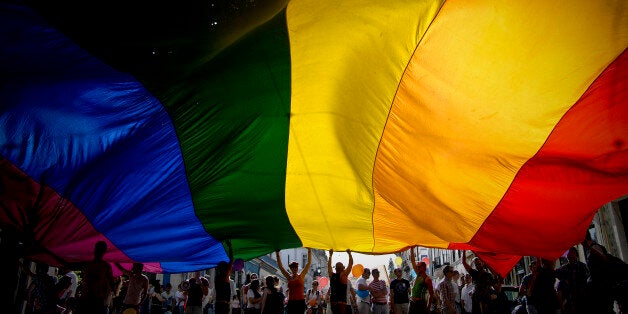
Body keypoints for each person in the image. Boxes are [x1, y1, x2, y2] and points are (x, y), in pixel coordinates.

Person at [79, 241, 115, 314]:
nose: (98, 251)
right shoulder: (104, 266)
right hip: (91, 298)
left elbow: (112, 284)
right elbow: (112, 284)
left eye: (100, 249)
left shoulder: (89, 264)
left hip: (93, 298)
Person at [276, 248, 312, 314]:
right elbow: (280, 266)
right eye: (293, 267)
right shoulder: (289, 277)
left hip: (300, 301)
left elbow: (308, 263)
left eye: (296, 267)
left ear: (297, 268)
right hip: (291, 302)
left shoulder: (301, 276)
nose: (295, 269)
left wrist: (309, 250)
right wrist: (277, 254)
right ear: (291, 269)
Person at [554, 247, 589, 314]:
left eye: (571, 254)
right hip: (569, 301)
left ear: (576, 254)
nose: (569, 256)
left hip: (582, 299)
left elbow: (585, 280)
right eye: (568, 254)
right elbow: (554, 273)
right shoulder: (564, 268)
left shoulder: (582, 266)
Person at [328, 249, 354, 314]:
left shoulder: (331, 275)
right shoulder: (344, 275)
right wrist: (349, 254)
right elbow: (350, 264)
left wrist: (330, 255)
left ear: (336, 268)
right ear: (343, 268)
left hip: (333, 301)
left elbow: (329, 266)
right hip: (341, 302)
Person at [409, 248, 435, 314]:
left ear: (423, 267)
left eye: (419, 267)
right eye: (417, 267)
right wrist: (412, 248)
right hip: (413, 303)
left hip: (420, 304)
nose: (417, 268)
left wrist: (428, 307)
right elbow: (412, 261)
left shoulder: (427, 279)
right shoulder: (418, 275)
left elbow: (431, 294)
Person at [215, 240, 234, 314]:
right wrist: (230, 247)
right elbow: (231, 260)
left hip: (218, 304)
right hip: (224, 305)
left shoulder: (217, 278)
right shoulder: (225, 277)